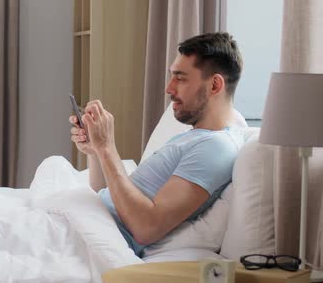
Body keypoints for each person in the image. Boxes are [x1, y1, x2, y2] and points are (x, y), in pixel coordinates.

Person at [69, 32, 244, 257]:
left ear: (215, 85)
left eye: (180, 78)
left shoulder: (215, 148)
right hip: (87, 221)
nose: (169, 89)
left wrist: (107, 148)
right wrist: (96, 152)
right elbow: (109, 196)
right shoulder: (193, 137)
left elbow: (145, 227)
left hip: (89, 237)